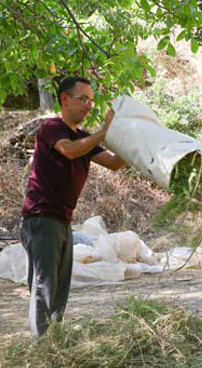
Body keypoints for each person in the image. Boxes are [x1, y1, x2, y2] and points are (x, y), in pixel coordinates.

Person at [20, 76, 127, 336]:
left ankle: (54, 342)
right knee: (44, 287)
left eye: (91, 100)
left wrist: (128, 138)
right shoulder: (52, 128)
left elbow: (114, 163)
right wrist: (104, 131)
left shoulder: (83, 138)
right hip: (41, 219)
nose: (89, 105)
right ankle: (41, 350)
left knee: (59, 290)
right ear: (65, 99)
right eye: (83, 99)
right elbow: (69, 151)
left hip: (62, 221)